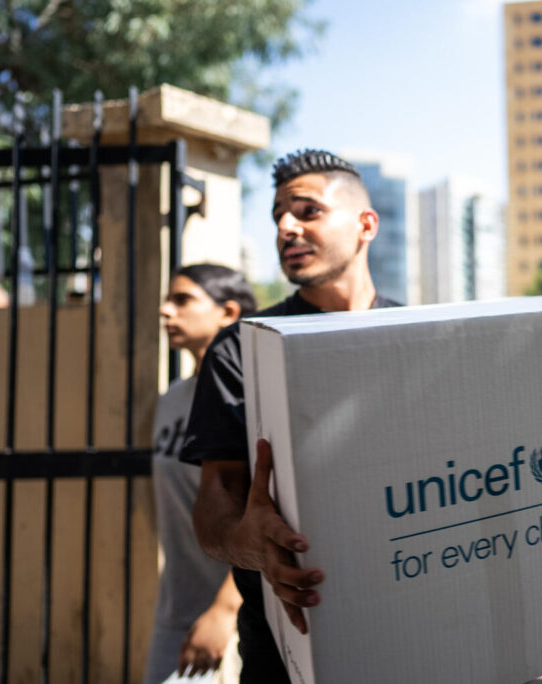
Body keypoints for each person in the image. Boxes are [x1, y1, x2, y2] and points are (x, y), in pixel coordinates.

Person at [180, 150, 398, 683]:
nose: (285, 226)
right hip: (287, 652)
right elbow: (216, 501)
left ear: (365, 224)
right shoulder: (242, 349)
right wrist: (247, 544)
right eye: (279, 213)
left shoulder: (410, 333)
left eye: (307, 211)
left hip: (407, 631)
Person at [145, 263, 257, 684]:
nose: (165, 311)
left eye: (183, 299)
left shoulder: (250, 398)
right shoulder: (171, 400)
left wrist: (226, 610)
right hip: (176, 609)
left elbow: (269, 511)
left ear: (228, 312)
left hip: (237, 614)